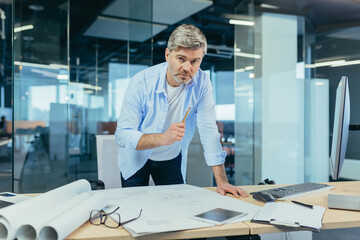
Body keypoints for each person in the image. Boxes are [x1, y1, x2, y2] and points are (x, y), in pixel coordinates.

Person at [115, 24, 248, 198]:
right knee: (135, 210)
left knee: (176, 210)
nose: (188, 68)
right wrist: (163, 138)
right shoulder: (142, 82)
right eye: (181, 59)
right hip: (136, 158)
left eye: (195, 61)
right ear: (168, 55)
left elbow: (208, 130)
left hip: (171, 157)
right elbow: (122, 135)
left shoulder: (202, 82)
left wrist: (222, 181)